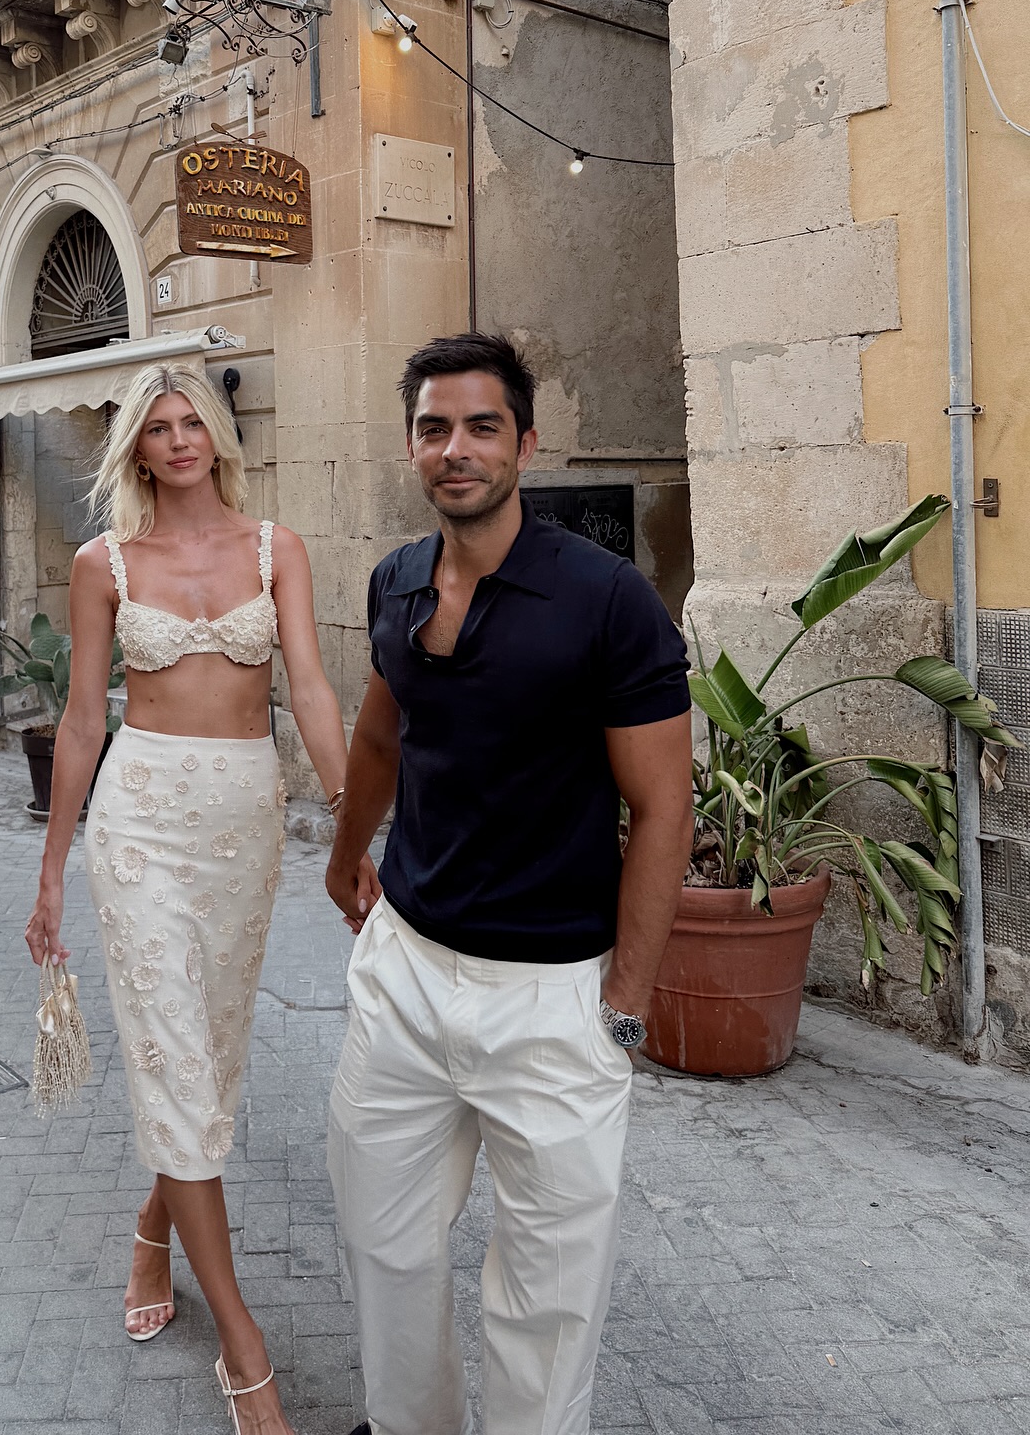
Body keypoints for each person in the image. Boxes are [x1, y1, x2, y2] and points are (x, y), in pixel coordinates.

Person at [324, 333, 693, 1435]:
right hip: (405, 973)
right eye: (434, 428)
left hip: (555, 996)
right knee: (383, 1241)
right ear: (410, 446)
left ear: (526, 445)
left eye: (482, 426)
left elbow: (663, 808)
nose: (457, 449)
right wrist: (346, 854)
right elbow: (380, 736)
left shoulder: (607, 599)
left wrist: (624, 1005)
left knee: (548, 1294)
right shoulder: (396, 579)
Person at [25, 362, 366, 1435]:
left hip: (243, 825)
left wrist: (354, 823)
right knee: (175, 1064)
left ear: (217, 434)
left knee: (205, 1066)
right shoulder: (103, 564)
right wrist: (51, 870)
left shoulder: (277, 550)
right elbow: (84, 720)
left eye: (193, 423)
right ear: (135, 447)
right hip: (139, 826)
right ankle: (242, 1344)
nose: (178, 440)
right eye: (158, 428)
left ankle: (152, 1229)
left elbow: (310, 688)